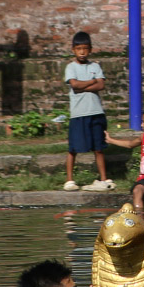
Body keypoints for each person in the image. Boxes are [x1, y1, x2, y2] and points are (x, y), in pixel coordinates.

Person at [63, 32, 112, 192]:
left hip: (95, 112)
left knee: (98, 147)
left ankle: (103, 178)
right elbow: (75, 85)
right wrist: (92, 81)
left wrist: (85, 84)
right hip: (79, 114)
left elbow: (101, 85)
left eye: (85, 49)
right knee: (73, 148)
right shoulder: (71, 67)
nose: (82, 52)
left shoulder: (95, 66)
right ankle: (70, 180)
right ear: (73, 50)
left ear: (90, 49)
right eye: (79, 49)